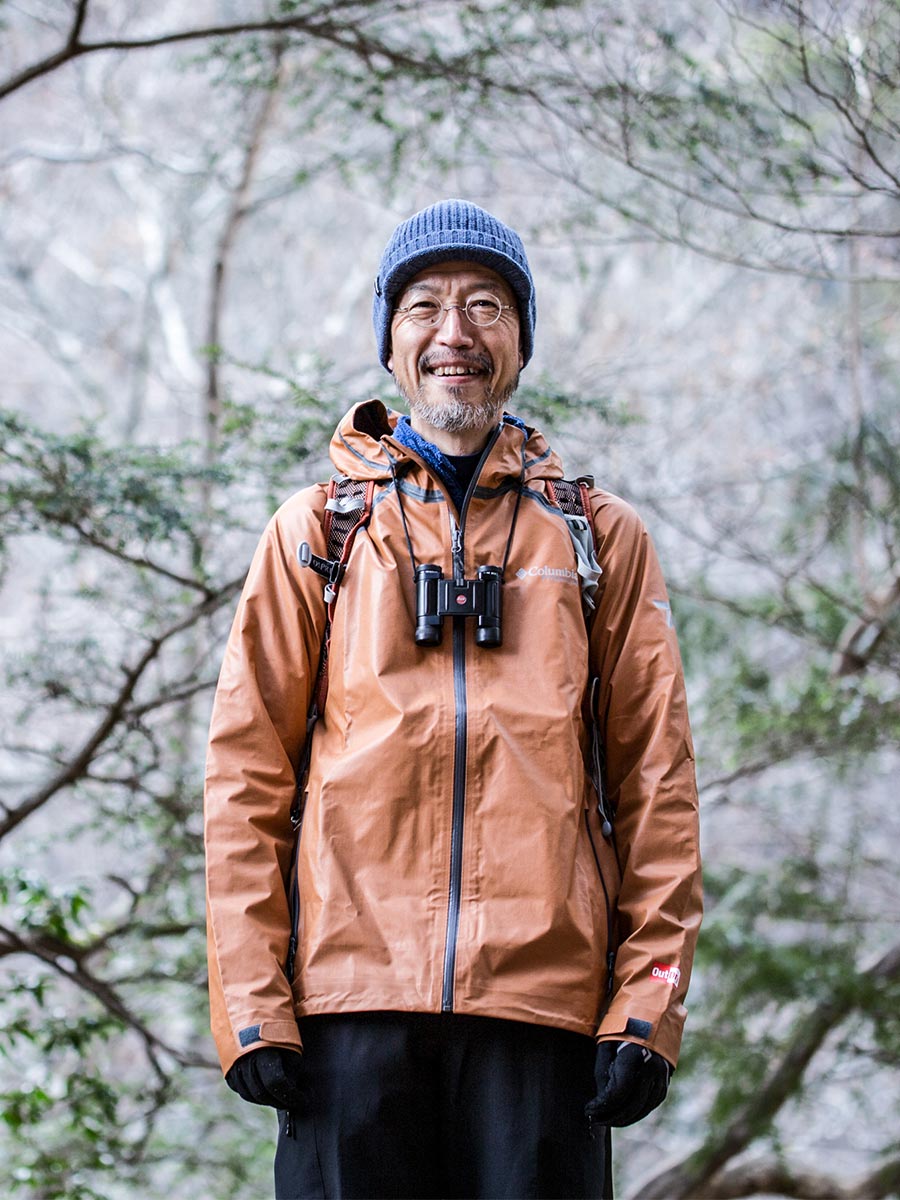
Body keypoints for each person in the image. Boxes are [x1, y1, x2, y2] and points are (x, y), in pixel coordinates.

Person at [204, 199, 702, 1200]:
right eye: (424, 306)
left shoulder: (598, 539)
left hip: (544, 1019)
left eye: (485, 305)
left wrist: (647, 1007)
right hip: (347, 1014)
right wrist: (253, 1003)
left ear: (520, 338)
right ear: (390, 341)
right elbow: (245, 779)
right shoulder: (319, 533)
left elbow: (658, 786)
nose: (454, 333)